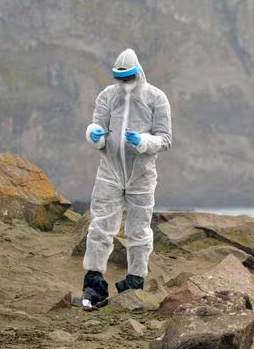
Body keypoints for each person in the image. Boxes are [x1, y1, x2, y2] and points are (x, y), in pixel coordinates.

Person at [79, 48, 172, 311]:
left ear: (138, 73)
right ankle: (94, 283)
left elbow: (165, 139)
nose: (124, 83)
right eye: (120, 78)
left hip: (141, 174)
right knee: (100, 227)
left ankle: (135, 280)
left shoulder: (156, 98)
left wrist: (142, 141)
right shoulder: (107, 96)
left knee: (139, 229)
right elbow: (98, 128)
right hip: (109, 171)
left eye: (128, 77)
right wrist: (95, 136)